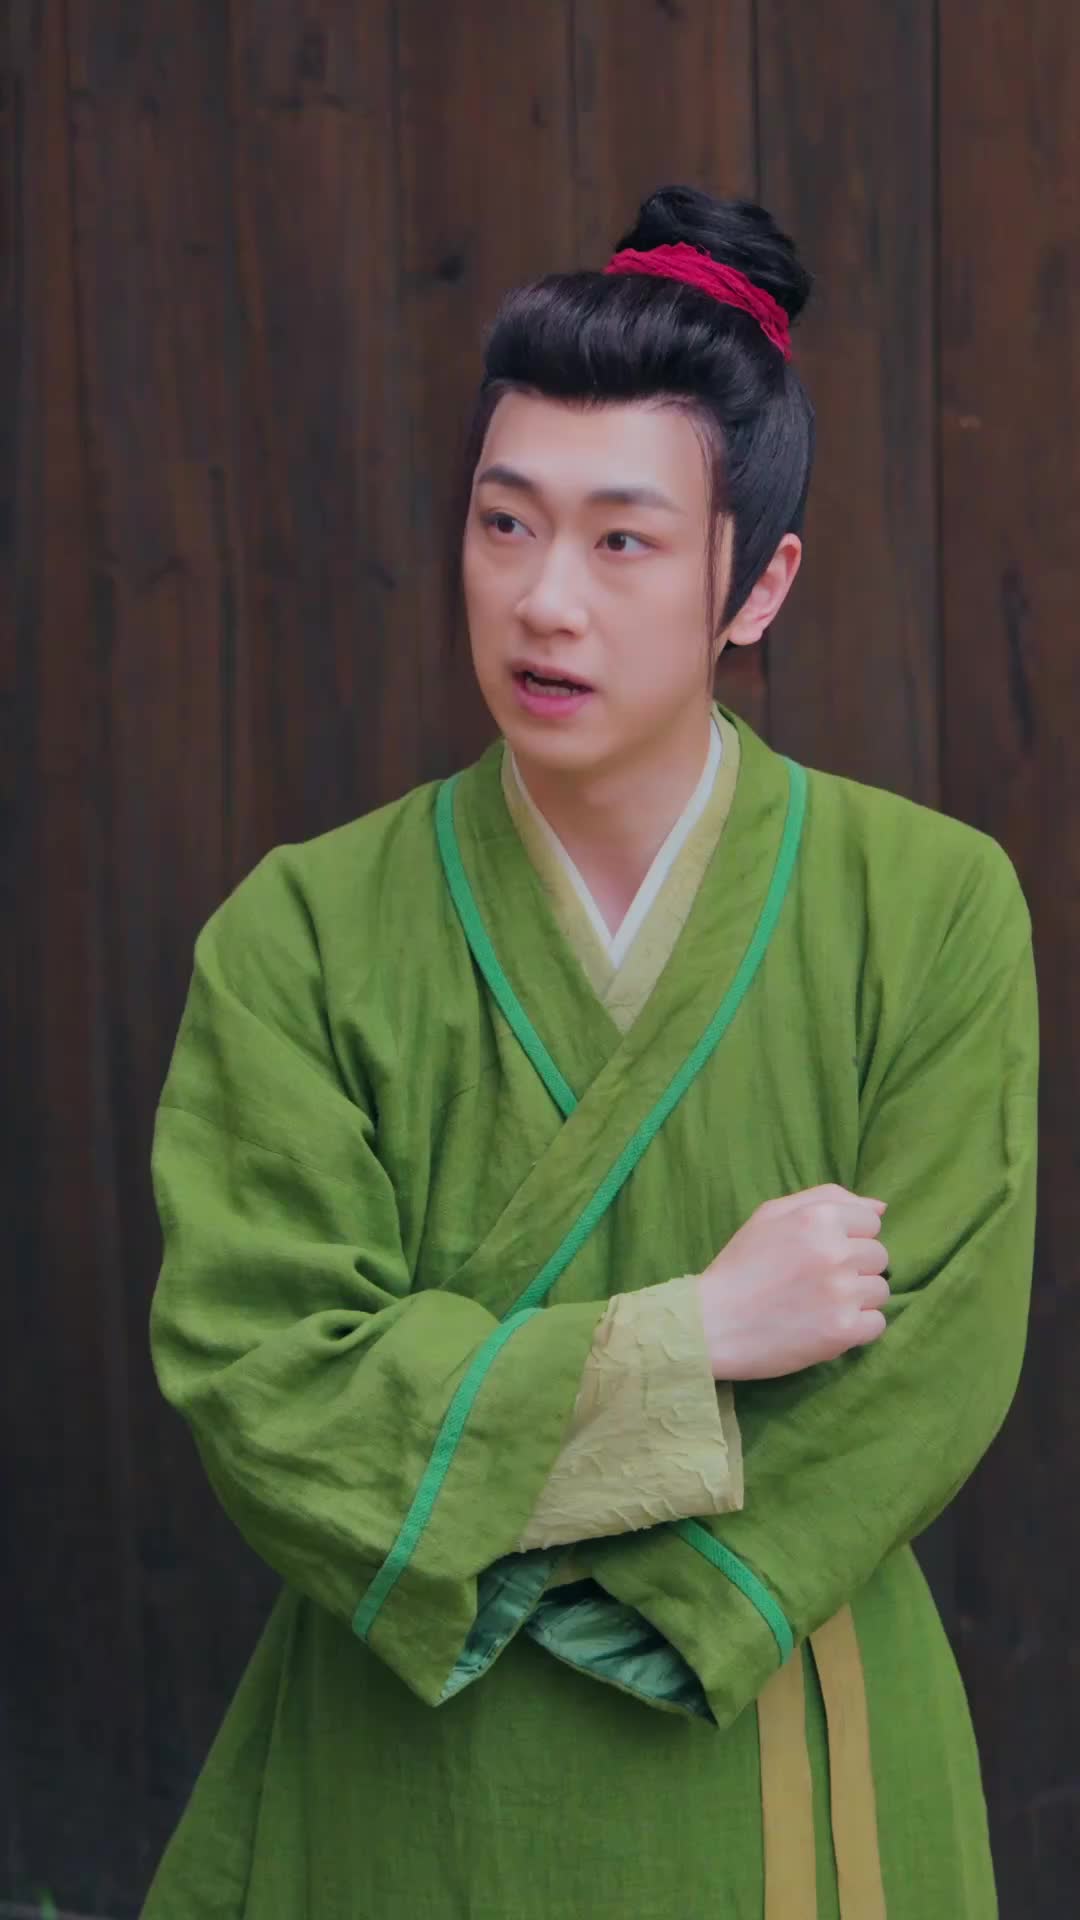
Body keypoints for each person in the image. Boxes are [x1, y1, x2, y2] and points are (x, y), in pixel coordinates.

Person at [143, 185, 1038, 1918]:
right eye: (504, 524)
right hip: (403, 1741)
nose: (543, 599)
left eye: (621, 542)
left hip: (762, 1700)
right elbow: (268, 1377)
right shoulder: (299, 932)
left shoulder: (929, 906)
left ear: (757, 583)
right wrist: (691, 1339)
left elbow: (929, 1362)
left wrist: (594, 1556)